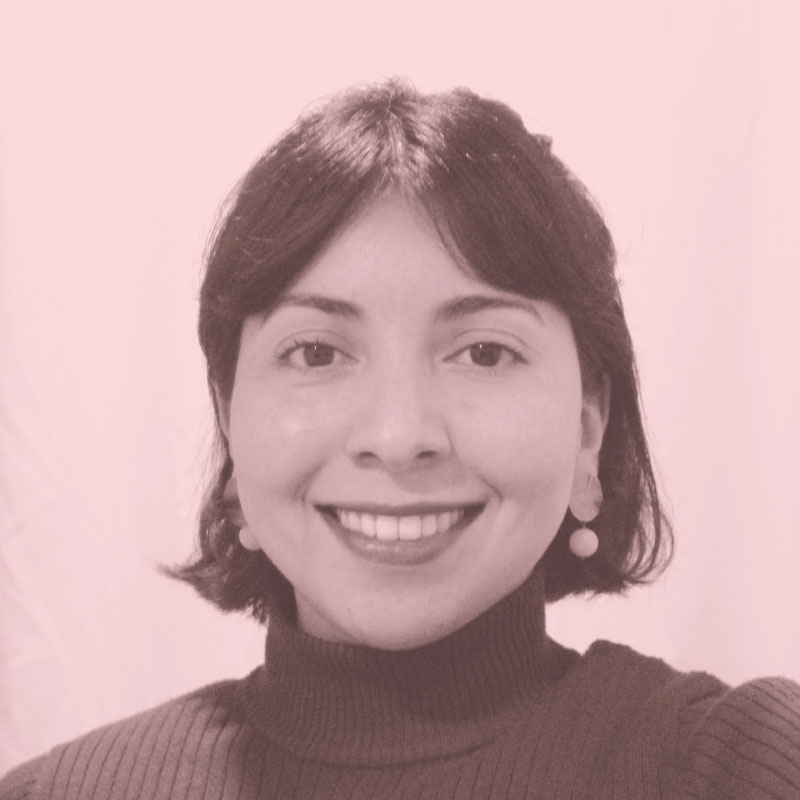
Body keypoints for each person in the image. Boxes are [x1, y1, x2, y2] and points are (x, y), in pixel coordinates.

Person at [1, 79, 798, 799]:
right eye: (317, 353)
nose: (397, 435)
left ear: (589, 433)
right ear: (229, 424)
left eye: (485, 353)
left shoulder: (743, 768)